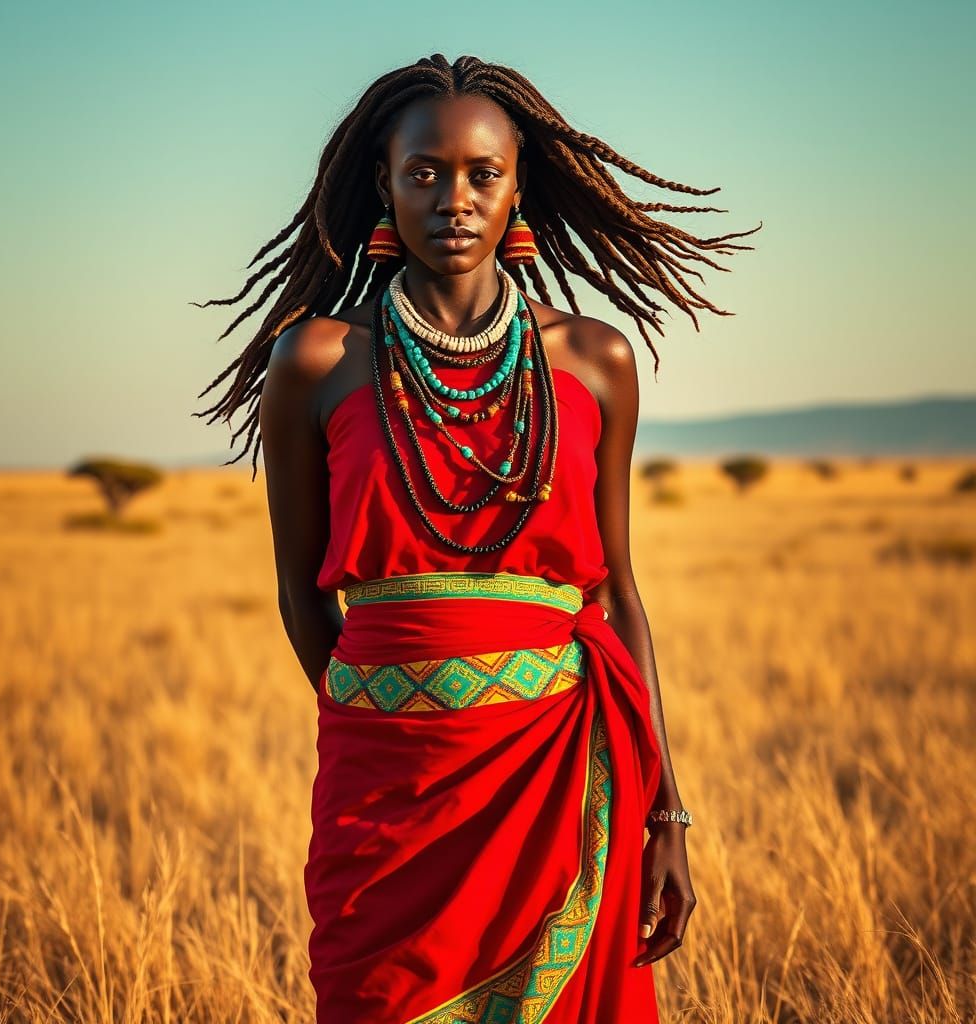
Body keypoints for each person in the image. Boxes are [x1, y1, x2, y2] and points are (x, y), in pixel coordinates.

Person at [194, 53, 759, 1024]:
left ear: (516, 188)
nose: (452, 198)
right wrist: (388, 710)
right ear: (383, 184)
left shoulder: (594, 359)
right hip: (384, 780)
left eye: (480, 174)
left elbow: (618, 594)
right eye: (424, 173)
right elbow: (300, 594)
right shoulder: (317, 360)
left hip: (555, 766)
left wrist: (666, 811)